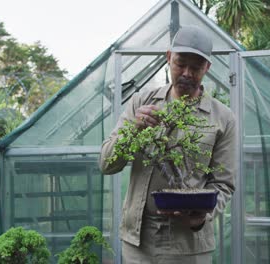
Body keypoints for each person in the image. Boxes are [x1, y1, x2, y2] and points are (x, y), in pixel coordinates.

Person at [99, 26, 237, 264]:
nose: (186, 73)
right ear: (168, 57)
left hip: (189, 246)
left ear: (207, 68)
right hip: (137, 241)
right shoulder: (141, 103)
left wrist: (201, 217)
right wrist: (134, 129)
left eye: (196, 67)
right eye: (180, 63)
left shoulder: (222, 118)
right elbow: (106, 163)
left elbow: (224, 184)